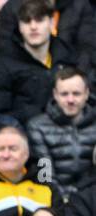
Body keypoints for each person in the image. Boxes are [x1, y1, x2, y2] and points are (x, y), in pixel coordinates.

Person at [0, 0, 79, 122]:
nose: (33, 27)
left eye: (39, 20)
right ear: (19, 26)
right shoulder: (1, 69)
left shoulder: (68, 58)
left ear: (51, 23)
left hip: (69, 135)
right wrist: (33, 115)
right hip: (23, 135)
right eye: (27, 21)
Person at [25, 67, 96, 200]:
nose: (70, 100)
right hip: (56, 200)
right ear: (55, 94)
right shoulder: (37, 126)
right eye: (64, 94)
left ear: (86, 94)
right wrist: (62, 200)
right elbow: (44, 175)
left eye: (76, 94)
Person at [0, 126, 51, 216]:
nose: (6, 155)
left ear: (26, 154)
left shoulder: (46, 186)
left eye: (13, 149)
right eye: (0, 149)